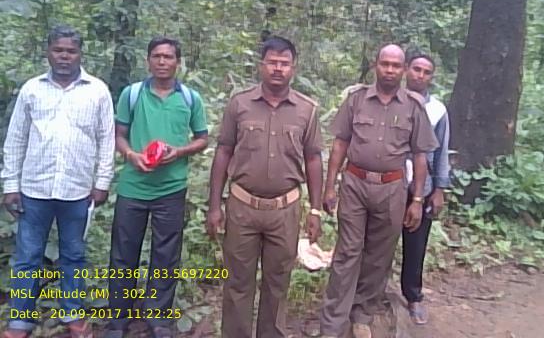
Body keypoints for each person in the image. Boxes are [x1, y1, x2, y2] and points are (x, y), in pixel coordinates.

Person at [1, 24, 115, 338]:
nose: (65, 56)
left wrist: (102, 182)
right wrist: (10, 185)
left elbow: (106, 140)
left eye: (71, 51)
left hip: (77, 191)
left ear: (80, 54)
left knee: (74, 257)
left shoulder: (97, 91)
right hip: (34, 189)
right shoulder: (32, 89)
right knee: (27, 257)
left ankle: (73, 314)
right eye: (58, 50)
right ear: (48, 52)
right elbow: (16, 138)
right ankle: (21, 319)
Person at [206, 36, 323, 338]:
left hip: (285, 210)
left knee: (278, 282)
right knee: (237, 282)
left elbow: (313, 159)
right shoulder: (239, 104)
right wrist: (215, 205)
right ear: (261, 65)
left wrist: (315, 210)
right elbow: (223, 151)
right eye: (272, 62)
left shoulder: (307, 110)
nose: (278, 68)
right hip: (242, 207)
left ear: (293, 68)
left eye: (284, 63)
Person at [319, 44, 439, 338]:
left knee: (379, 255)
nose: (389, 70)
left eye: (396, 65)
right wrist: (330, 185)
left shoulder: (413, 106)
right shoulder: (356, 99)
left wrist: (417, 199)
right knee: (347, 252)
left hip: (392, 188)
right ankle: (333, 323)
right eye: (385, 64)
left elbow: (421, 156)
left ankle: (362, 314)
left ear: (403, 69)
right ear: (376, 65)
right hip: (355, 184)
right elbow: (340, 144)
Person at [105, 37, 208, 338]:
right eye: (157, 56)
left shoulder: (189, 98)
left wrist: (179, 152)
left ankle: (158, 318)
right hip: (133, 187)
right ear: (148, 60)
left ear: (178, 62)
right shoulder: (132, 94)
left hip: (171, 188)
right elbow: (119, 134)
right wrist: (131, 155)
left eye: (168, 57)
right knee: (123, 254)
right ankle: (118, 319)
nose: (162, 62)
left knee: (166, 254)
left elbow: (202, 138)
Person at [401, 52, 451, 325]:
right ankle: (371, 292)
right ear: (406, 70)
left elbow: (441, 151)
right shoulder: (392, 101)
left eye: (426, 71)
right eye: (416, 69)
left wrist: (440, 188)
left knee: (416, 243)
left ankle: (413, 296)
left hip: (423, 185)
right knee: (379, 242)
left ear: (431, 77)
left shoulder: (438, 110)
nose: (420, 75)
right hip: (391, 183)